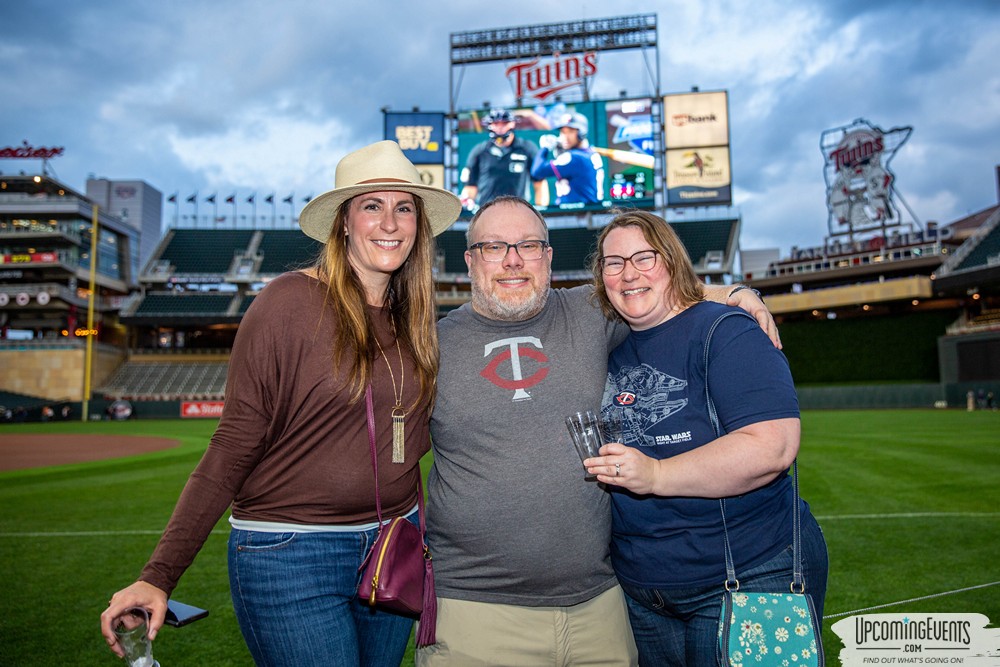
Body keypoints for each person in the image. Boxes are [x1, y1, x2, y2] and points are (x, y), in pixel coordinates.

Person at [100, 141, 461, 666]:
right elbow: (234, 442)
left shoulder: (417, 321)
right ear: (342, 222)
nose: (390, 221)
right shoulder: (288, 302)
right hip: (291, 552)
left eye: (404, 207)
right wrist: (159, 575)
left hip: (391, 546)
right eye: (371, 205)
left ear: (418, 225)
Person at [416, 196, 779, 666]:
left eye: (528, 245)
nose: (512, 260)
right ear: (469, 260)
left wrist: (733, 293)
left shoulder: (590, 314)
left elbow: (655, 287)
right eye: (493, 247)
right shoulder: (429, 344)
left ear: (548, 257)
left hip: (599, 608)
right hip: (475, 610)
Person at [583, 209, 828, 665]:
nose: (628, 273)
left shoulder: (725, 330)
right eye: (613, 263)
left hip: (750, 573)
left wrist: (655, 473)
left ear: (672, 260)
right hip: (643, 594)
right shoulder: (610, 343)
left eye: (643, 257)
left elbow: (771, 446)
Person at [460, 108, 550, 211]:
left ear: (513, 123)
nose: (500, 127)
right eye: (496, 123)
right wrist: (468, 201)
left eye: (504, 123)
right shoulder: (480, 151)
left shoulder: (526, 148)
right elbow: (471, 187)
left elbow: (540, 183)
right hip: (487, 211)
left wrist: (541, 211)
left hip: (518, 211)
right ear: (489, 125)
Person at [530, 112, 605, 206]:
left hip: (578, 214)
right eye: (563, 132)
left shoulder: (574, 157)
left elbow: (537, 172)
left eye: (570, 131)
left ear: (581, 132)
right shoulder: (591, 153)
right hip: (589, 211)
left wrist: (544, 149)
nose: (564, 137)